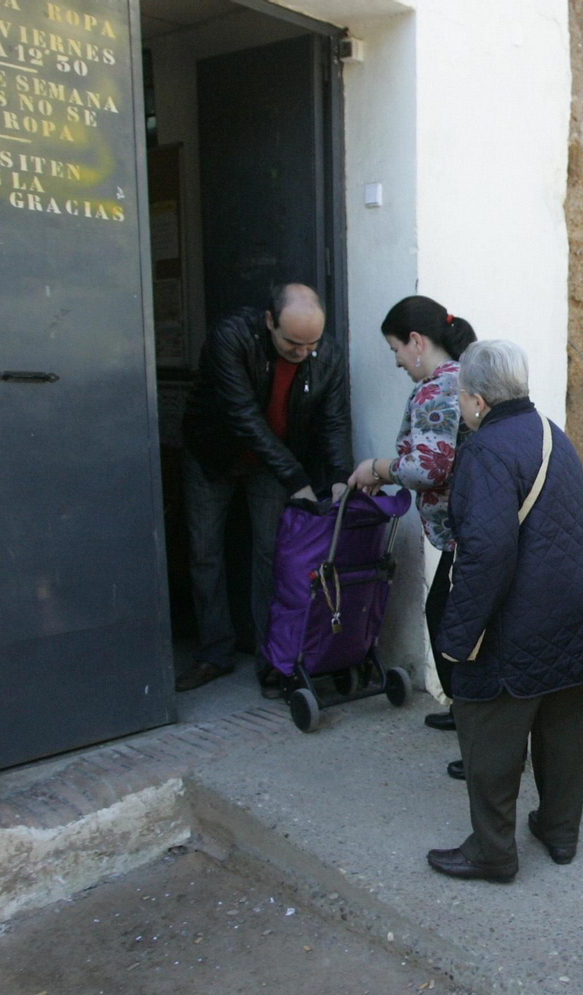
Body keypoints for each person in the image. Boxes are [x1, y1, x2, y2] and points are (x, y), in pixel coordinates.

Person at [425, 340, 583, 883]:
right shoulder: (549, 432)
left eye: (461, 395)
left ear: (477, 400)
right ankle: (560, 833)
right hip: (581, 613)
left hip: (522, 620)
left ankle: (492, 852)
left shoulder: (484, 450)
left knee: (487, 731)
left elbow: (486, 553)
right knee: (565, 729)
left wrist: (457, 638)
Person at [176, 283, 352, 698]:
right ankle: (214, 652)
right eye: (293, 343)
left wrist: (340, 477)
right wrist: (297, 480)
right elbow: (243, 417)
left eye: (312, 344)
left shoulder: (327, 353)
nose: (303, 352)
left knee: (272, 554)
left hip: (274, 462)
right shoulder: (230, 337)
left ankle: (272, 658)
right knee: (204, 553)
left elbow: (334, 421)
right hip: (212, 453)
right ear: (269, 321)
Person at [346, 296, 477, 748]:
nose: (398, 361)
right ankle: (467, 714)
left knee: (448, 622)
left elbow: (429, 468)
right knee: (450, 616)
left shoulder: (437, 388)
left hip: (467, 530)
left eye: (396, 349)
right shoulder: (463, 377)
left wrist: (376, 468)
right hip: (475, 526)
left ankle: (476, 726)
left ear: (417, 341)